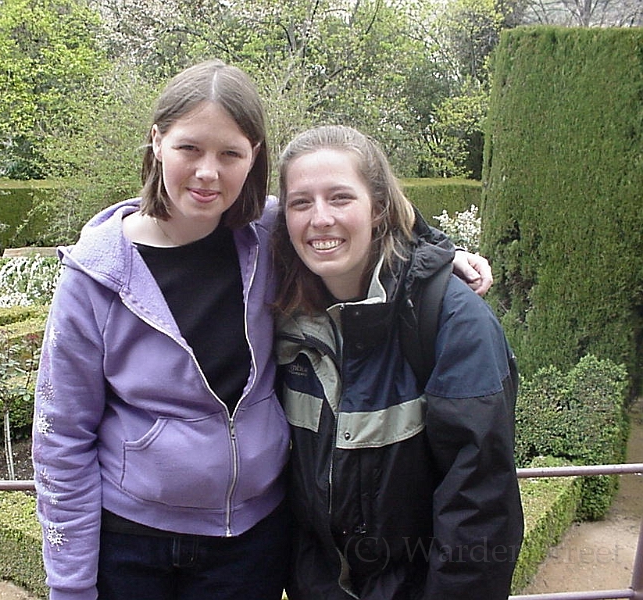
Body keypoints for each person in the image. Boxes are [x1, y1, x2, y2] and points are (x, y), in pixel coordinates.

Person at [32, 60, 494, 600]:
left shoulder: (268, 234)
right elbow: (62, 439)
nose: (208, 172)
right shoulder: (96, 276)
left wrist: (437, 258)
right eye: (189, 149)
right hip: (133, 543)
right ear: (156, 142)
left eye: (230, 153)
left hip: (250, 544)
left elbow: (358, 212)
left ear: (253, 157)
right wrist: (70, 587)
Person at [272, 125, 523, 600]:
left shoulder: (454, 321)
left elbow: (480, 508)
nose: (319, 218)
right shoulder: (284, 313)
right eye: (300, 202)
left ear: (379, 207)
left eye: (341, 197)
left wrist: (439, 256)